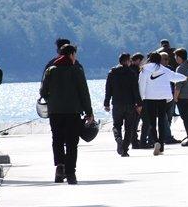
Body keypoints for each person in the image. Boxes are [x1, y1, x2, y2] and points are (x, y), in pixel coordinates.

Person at [40, 44, 94, 184]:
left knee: (57, 140)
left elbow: (43, 92)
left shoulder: (51, 70)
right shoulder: (76, 70)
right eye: (74, 55)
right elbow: (84, 93)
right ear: (71, 55)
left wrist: (52, 101)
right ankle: (71, 174)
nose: (75, 57)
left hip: (55, 113)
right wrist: (89, 112)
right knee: (72, 142)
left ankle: (60, 167)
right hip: (73, 112)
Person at [137, 52, 186, 155]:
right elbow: (174, 76)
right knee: (162, 122)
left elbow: (141, 85)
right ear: (159, 60)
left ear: (149, 59)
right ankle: (162, 146)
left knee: (152, 122)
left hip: (149, 98)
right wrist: (185, 77)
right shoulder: (164, 69)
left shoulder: (144, 69)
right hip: (163, 99)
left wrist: (141, 98)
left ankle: (156, 141)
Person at [104, 53, 141, 157]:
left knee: (116, 125)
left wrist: (106, 103)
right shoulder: (132, 73)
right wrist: (139, 103)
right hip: (130, 104)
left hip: (117, 103)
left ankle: (118, 139)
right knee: (129, 127)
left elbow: (108, 89)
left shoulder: (112, 73)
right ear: (128, 61)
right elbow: (136, 90)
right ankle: (124, 150)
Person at [130, 52, 149, 148]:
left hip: (131, 101)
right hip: (138, 101)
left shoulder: (130, 70)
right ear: (138, 60)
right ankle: (139, 141)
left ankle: (134, 141)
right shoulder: (136, 71)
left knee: (134, 122)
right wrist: (138, 103)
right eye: (143, 61)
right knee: (143, 121)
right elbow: (137, 88)